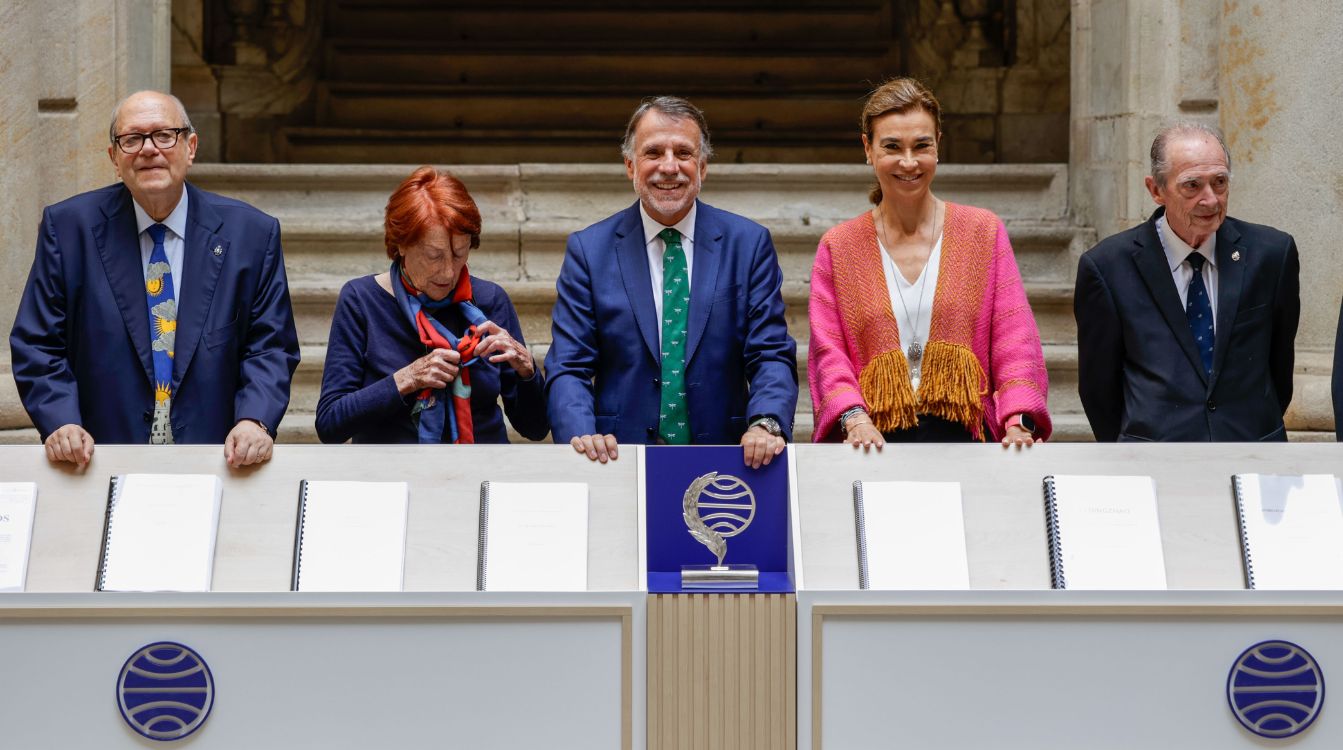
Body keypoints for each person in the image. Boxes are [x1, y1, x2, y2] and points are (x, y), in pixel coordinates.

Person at [10, 90, 299, 468]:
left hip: (217, 460)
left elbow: (270, 346)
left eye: (165, 135)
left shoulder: (251, 235)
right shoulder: (68, 230)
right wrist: (61, 421)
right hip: (97, 459)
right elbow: (38, 343)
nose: (149, 149)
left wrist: (254, 420)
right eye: (132, 139)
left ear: (190, 147)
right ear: (114, 158)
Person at [545, 96, 798, 468]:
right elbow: (569, 364)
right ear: (631, 165)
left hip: (727, 458)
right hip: (615, 460)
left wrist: (766, 422)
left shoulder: (748, 244)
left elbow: (770, 352)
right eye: (653, 153)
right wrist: (581, 436)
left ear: (703, 167)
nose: (669, 167)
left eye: (683, 153)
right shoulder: (589, 250)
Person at [808, 78, 1051, 448]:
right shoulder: (839, 247)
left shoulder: (981, 232)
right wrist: (854, 419)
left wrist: (1017, 420)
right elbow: (829, 353)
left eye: (921, 145)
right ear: (868, 149)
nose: (908, 162)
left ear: (938, 144)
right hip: (874, 440)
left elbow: (1014, 338)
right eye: (891, 147)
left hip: (966, 435)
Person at [1075, 122, 1301, 442]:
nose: (1210, 199)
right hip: (1155, 459)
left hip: (1252, 452)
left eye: (1219, 183)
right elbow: (1099, 389)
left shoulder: (1272, 255)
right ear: (1156, 190)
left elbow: (1279, 368)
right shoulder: (1108, 267)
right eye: (1192, 186)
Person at [316, 166, 547, 444]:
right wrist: (407, 379)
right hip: (392, 477)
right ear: (400, 244)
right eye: (434, 256)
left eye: (459, 254)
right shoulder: (361, 299)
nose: (449, 272)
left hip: (480, 472)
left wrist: (526, 370)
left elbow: (535, 428)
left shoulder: (490, 300)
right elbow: (330, 424)